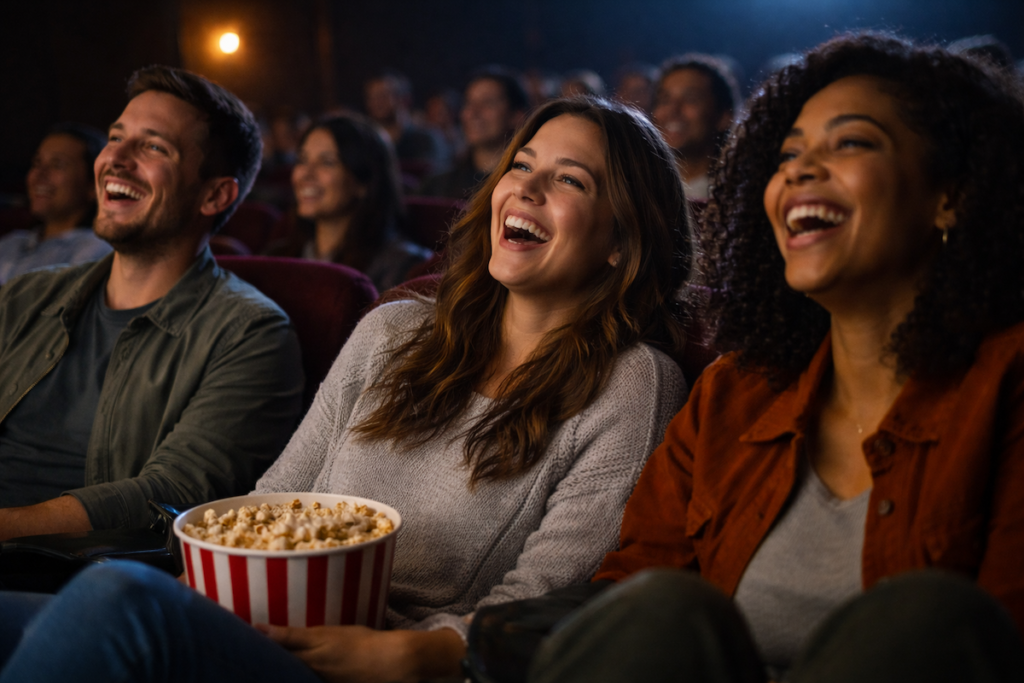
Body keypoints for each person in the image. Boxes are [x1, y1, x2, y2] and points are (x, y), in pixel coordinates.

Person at [0, 96, 693, 683]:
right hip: (258, 621)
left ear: (620, 240)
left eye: (570, 180)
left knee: (116, 595)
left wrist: (415, 651)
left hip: (387, 661)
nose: (526, 190)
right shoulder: (394, 330)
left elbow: (546, 600)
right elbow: (273, 501)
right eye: (521, 165)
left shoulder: (631, 382)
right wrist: (208, 595)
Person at [516, 33, 1024, 683]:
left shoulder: (1010, 381)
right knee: (660, 609)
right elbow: (630, 607)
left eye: (850, 142)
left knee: (926, 617)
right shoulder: (731, 394)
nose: (800, 171)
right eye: (788, 154)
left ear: (950, 195)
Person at [0, 66, 304, 539]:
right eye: (115, 137)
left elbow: (173, 495)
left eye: (153, 147)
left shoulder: (250, 332)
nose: (115, 158)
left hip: (69, 578)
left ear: (214, 194)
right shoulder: (25, 295)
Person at [264, 113, 431, 291]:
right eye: (302, 160)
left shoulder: (402, 267)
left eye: (326, 162)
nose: (305, 174)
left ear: (364, 182)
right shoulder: (277, 256)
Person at [0, 123, 112, 284]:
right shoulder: (10, 243)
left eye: (57, 165)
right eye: (37, 163)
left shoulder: (93, 251)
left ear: (93, 186)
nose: (39, 174)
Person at [418, 66, 529, 200]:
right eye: (469, 103)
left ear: (517, 116)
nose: (473, 113)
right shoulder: (437, 186)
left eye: (488, 103)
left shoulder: (527, 187)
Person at [652, 53, 739, 202]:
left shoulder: (737, 196)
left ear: (724, 117)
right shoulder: (638, 189)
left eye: (691, 99)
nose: (673, 110)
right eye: (664, 100)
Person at [365, 69, 448, 176]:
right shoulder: (368, 144)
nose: (378, 102)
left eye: (384, 95)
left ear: (403, 98)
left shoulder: (426, 140)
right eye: (373, 97)